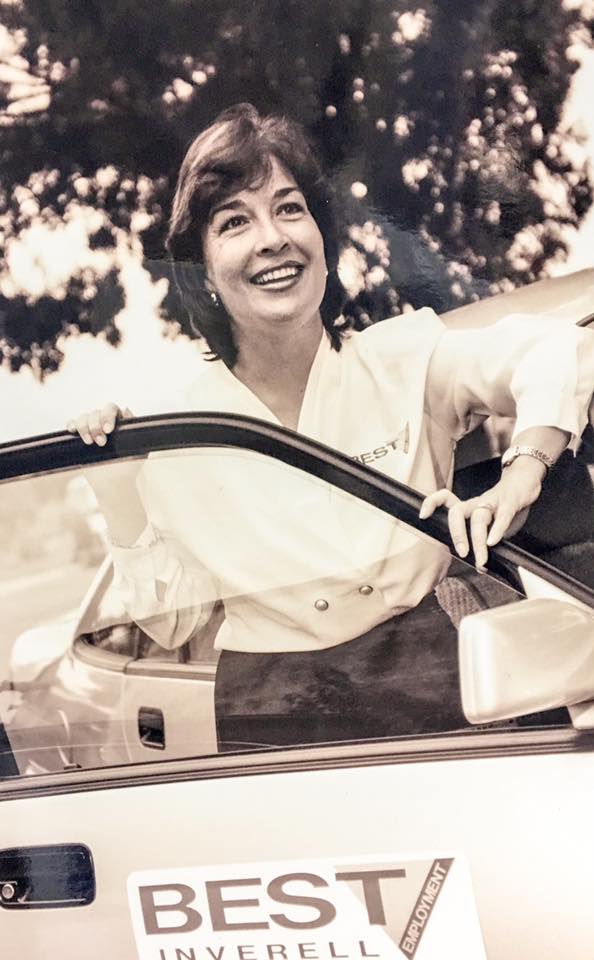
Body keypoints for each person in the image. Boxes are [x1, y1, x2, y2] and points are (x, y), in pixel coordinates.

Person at [69, 102, 594, 749]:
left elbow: (555, 350)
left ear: (322, 239)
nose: (272, 237)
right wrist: (114, 482)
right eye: (235, 221)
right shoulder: (182, 434)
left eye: (290, 208)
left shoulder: (403, 357)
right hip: (270, 711)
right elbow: (174, 624)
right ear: (201, 269)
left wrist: (523, 473)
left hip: (441, 669)